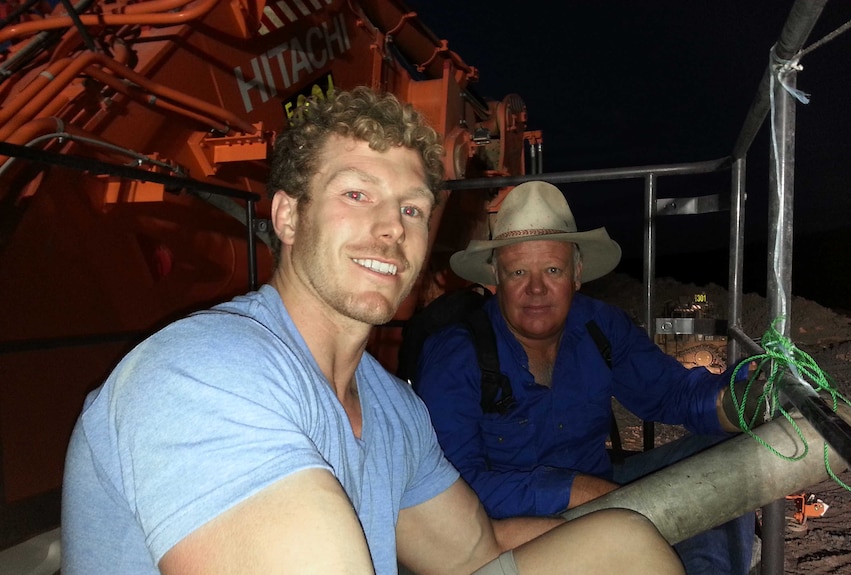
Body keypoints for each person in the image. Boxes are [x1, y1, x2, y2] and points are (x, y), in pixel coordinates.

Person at [60, 88, 683, 575]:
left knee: (623, 544)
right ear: (287, 214)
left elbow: (476, 552)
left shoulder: (391, 408)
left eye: (412, 207)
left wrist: (644, 525)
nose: (392, 228)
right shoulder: (201, 373)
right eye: (357, 194)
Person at [413, 180, 760, 575]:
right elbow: (453, 491)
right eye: (519, 272)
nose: (537, 288)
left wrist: (736, 399)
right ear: (495, 279)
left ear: (577, 274)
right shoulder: (454, 355)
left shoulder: (600, 326)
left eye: (553, 269)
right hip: (507, 529)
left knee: (728, 462)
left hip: (603, 491)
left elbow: (672, 393)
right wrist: (580, 491)